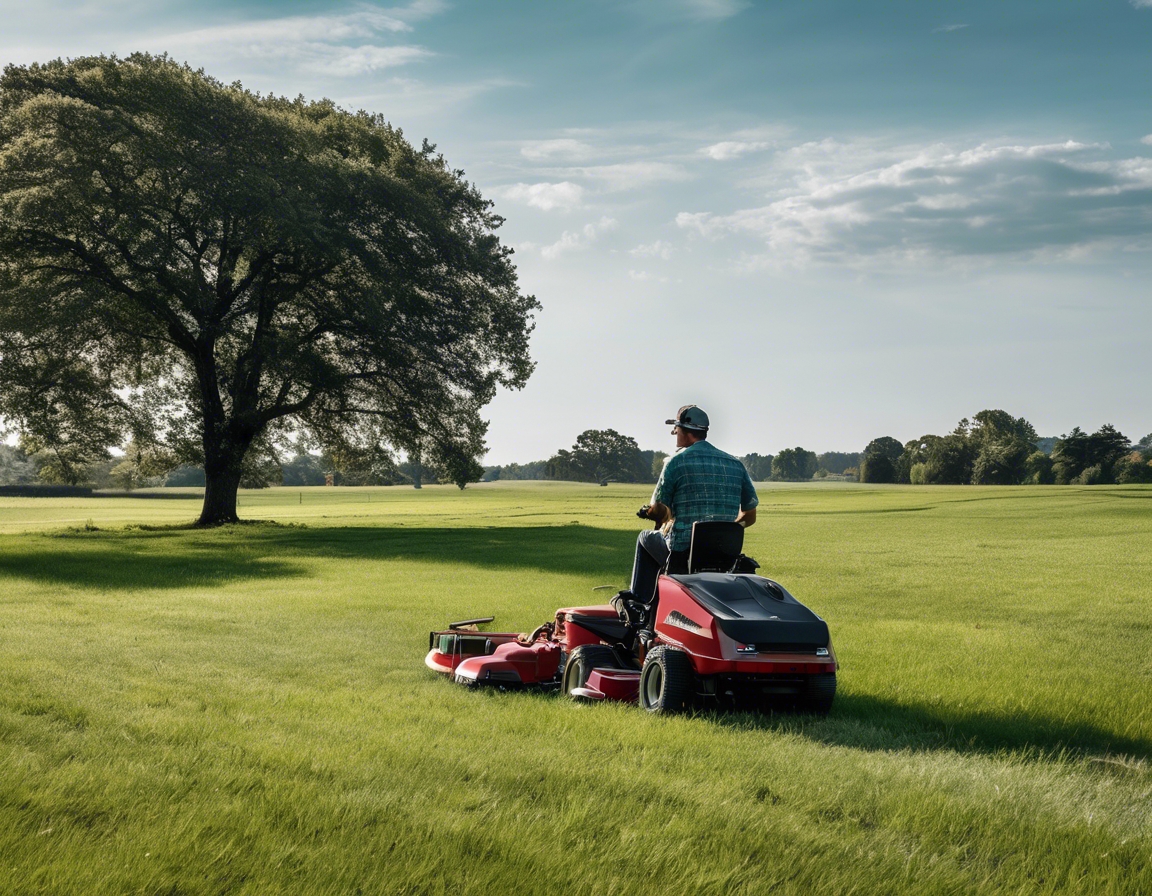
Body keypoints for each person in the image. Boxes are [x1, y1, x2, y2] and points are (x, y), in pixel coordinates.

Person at [625, 405, 758, 605]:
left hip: (683, 553)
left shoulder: (676, 462)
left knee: (645, 537)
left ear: (684, 431)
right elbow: (750, 515)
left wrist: (649, 512)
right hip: (725, 554)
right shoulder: (735, 464)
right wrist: (725, 531)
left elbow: (661, 512)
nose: (675, 434)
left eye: (676, 429)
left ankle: (639, 601)